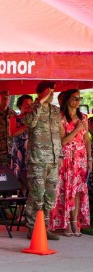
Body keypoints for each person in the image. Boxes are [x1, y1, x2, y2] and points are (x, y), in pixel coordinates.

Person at [23, 81, 63, 241]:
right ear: (41, 93)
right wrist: (39, 102)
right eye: (48, 92)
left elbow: (58, 134)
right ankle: (32, 230)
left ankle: (44, 228)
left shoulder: (55, 111)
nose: (51, 94)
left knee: (50, 197)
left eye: (52, 92)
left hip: (53, 160)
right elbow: (29, 123)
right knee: (37, 195)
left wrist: (59, 155)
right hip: (37, 159)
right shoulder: (32, 108)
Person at [49, 89, 91, 236]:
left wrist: (89, 159)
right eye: (75, 98)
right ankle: (66, 223)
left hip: (80, 158)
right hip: (66, 157)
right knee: (67, 191)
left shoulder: (83, 117)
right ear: (68, 100)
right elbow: (62, 142)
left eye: (80, 98)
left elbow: (86, 140)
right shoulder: (60, 118)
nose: (78, 101)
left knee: (78, 191)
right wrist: (76, 130)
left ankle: (75, 222)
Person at [9, 94, 32, 178]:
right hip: (19, 150)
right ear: (20, 106)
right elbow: (12, 133)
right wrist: (27, 125)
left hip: (32, 151)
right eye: (26, 104)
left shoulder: (35, 119)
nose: (29, 106)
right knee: (19, 176)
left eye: (31, 104)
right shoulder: (14, 118)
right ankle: (19, 191)